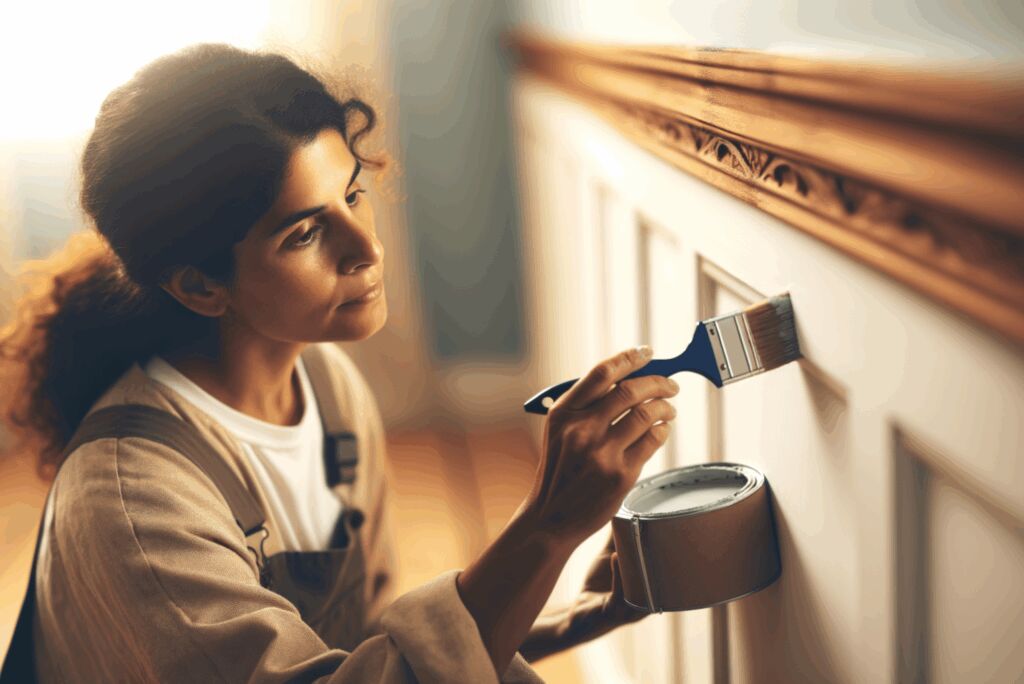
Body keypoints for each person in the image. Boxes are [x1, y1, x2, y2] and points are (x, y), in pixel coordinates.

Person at [0, 42, 680, 683]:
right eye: (305, 232)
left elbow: (364, 653)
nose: (366, 249)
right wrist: (546, 525)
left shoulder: (327, 387)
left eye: (352, 196)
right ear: (200, 285)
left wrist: (567, 614)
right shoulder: (134, 507)